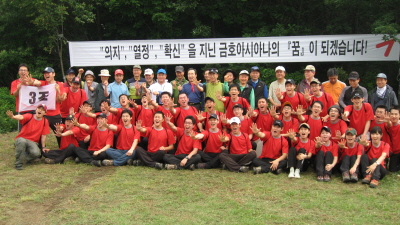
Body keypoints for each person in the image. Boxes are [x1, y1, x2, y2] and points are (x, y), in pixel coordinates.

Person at [6, 104, 50, 170]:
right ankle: (18, 164)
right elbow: (21, 117)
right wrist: (13, 117)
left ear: (45, 113)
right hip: (22, 138)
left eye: (42, 110)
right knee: (22, 141)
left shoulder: (45, 121)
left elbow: (43, 135)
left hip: (33, 141)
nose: (40, 110)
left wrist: (43, 147)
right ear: (36, 109)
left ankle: (24, 158)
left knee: (36, 154)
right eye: (39, 108)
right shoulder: (29, 116)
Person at [40, 67, 66, 147]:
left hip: (55, 113)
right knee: (40, 132)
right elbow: (35, 82)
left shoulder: (59, 84)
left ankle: (63, 149)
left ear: (54, 74)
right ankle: (40, 151)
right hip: (43, 113)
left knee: (59, 132)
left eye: (48, 73)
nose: (46, 75)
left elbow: (60, 100)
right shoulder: (43, 84)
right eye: (45, 73)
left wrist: (58, 90)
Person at [387, 106, 400, 172]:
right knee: (392, 169)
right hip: (393, 152)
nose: (394, 116)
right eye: (392, 114)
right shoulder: (386, 125)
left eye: (396, 114)